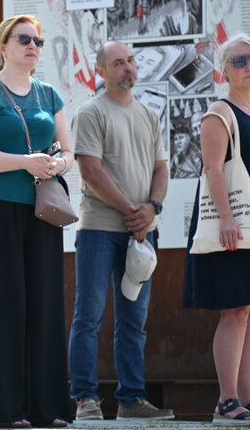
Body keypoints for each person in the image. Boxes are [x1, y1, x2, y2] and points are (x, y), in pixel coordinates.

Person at [0, 15, 73, 428]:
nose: (33, 45)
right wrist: (26, 162)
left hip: (42, 209)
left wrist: (57, 163)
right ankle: (4, 410)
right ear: (2, 47)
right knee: (2, 306)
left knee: (45, 303)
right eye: (24, 38)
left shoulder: (49, 94)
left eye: (38, 40)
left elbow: (69, 151)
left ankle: (47, 409)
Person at [68, 40, 172, 421]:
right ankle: (85, 399)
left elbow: (161, 168)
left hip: (141, 234)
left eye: (130, 61)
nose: (128, 67)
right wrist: (132, 210)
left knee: (134, 321)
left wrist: (152, 209)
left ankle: (131, 399)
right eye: (118, 63)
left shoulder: (148, 115)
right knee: (89, 316)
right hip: (99, 230)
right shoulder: (91, 112)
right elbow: (91, 171)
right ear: (102, 71)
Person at [184, 34, 250, 425]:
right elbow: (213, 169)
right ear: (223, 69)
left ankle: (248, 400)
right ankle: (226, 401)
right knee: (235, 310)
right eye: (239, 61)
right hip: (232, 224)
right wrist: (228, 217)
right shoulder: (219, 111)